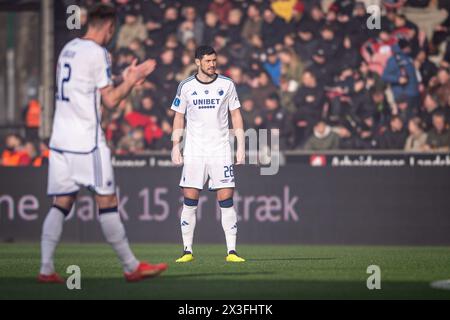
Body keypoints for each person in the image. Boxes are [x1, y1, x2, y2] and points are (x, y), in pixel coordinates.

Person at [39, 4, 167, 284]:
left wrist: (124, 76)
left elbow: (86, 85)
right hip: (87, 142)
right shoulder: (99, 53)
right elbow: (110, 100)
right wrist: (131, 82)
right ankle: (131, 267)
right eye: (114, 29)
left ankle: (46, 269)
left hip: (60, 140)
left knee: (61, 203)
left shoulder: (70, 48)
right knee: (107, 201)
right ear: (109, 26)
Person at [170, 45, 246, 263]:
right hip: (194, 151)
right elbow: (178, 117)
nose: (212, 64)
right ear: (197, 62)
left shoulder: (227, 84)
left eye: (214, 60)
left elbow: (236, 115)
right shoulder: (185, 86)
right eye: (208, 61)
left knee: (226, 198)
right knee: (189, 200)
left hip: (220, 150)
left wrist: (241, 146)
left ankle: (232, 251)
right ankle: (187, 251)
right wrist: (176, 145)